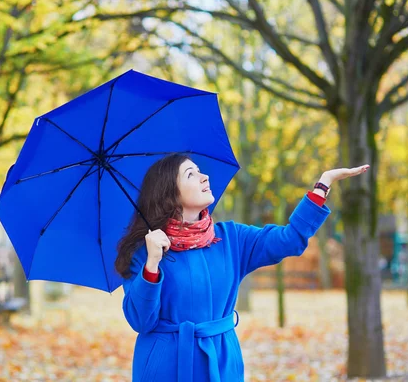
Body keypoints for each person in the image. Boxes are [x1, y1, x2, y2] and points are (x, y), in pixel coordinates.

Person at [115, 153, 369, 381]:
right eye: (191, 174)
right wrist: (152, 264)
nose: (204, 177)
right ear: (169, 193)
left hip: (221, 361)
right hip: (165, 366)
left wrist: (322, 185)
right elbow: (140, 320)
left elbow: (289, 240)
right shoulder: (146, 251)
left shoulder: (232, 239)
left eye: (200, 170)